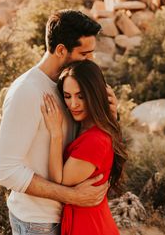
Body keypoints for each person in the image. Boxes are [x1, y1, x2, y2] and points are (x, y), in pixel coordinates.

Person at [0, 10, 118, 235]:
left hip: (71, 218)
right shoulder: (27, 91)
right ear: (61, 50)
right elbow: (6, 171)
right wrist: (72, 196)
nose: (91, 60)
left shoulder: (71, 85)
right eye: (85, 53)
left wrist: (109, 114)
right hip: (39, 223)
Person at [41, 60, 127, 235]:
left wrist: (56, 134)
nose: (73, 104)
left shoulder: (95, 139)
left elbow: (59, 181)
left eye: (81, 96)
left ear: (94, 95)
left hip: (89, 227)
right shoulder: (89, 126)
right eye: (67, 96)